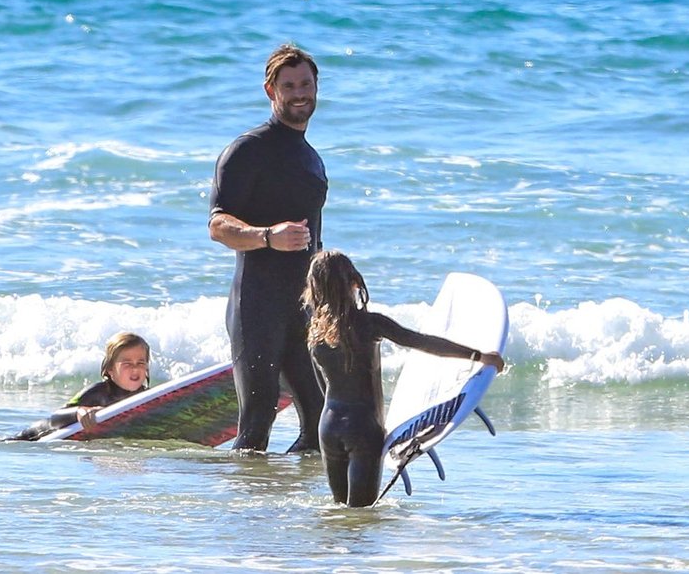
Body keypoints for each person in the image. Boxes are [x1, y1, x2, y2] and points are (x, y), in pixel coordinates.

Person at [301, 250, 506, 507]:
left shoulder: (315, 334)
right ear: (354, 283)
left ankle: (335, 549)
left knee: (340, 512)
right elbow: (422, 342)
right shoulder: (370, 324)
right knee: (361, 516)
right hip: (363, 428)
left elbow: (323, 386)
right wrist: (478, 356)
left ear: (314, 289)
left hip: (328, 427)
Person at [208, 43, 327, 453]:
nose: (299, 93)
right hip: (256, 307)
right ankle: (247, 511)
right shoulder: (247, 150)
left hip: (302, 309)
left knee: (318, 420)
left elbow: (315, 239)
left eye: (306, 84)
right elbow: (218, 224)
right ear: (270, 91)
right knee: (257, 420)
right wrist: (267, 237)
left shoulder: (311, 159)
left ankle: (287, 506)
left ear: (317, 87)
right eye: (289, 85)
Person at [11, 331, 151, 441]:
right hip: (33, 436)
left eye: (141, 363)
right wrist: (79, 412)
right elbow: (55, 418)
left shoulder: (150, 398)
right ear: (110, 369)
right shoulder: (98, 392)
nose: (135, 369)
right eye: (127, 363)